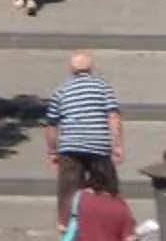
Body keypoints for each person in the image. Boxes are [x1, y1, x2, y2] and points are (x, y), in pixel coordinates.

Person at [45, 50, 124, 222]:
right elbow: (113, 116)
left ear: (71, 69)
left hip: (70, 147)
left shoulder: (60, 91)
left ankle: (66, 225)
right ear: (92, 68)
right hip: (99, 145)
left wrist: (52, 151)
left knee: (68, 191)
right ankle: (108, 224)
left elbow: (52, 125)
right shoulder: (103, 87)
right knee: (106, 190)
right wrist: (117, 145)